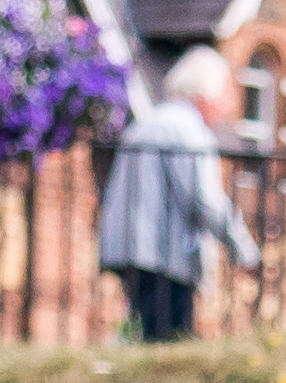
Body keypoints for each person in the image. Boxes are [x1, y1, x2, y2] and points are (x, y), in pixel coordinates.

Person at [92, 47, 261, 343]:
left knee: (144, 331)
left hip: (129, 250)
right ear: (204, 94)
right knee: (169, 340)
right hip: (165, 256)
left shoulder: (144, 124)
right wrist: (242, 247)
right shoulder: (190, 133)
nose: (226, 107)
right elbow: (204, 199)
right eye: (223, 95)